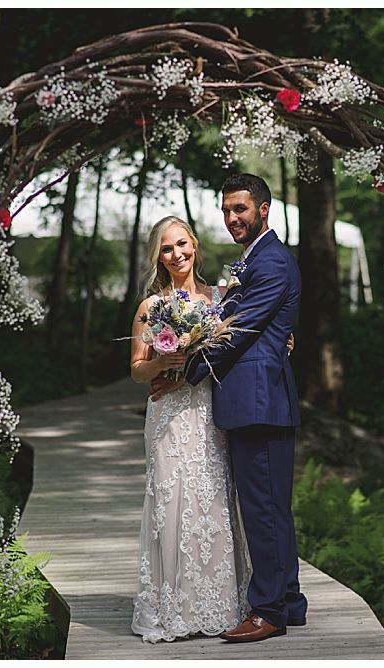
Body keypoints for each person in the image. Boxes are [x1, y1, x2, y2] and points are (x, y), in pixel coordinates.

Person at [152, 173, 307, 643]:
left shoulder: (273, 263)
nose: (231, 217)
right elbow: (230, 319)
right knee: (272, 506)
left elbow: (239, 332)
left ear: (264, 209)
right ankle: (289, 601)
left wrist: (186, 373)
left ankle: (268, 612)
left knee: (262, 508)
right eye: (225, 210)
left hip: (258, 402)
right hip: (255, 399)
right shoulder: (252, 261)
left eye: (240, 208)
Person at [129, 216, 251, 643]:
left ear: (195, 245)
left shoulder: (220, 298)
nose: (176, 253)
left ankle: (218, 604)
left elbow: (242, 341)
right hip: (167, 416)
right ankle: (172, 606)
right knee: (171, 499)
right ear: (158, 257)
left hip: (207, 412)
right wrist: (162, 363)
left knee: (212, 500)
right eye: (166, 248)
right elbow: (137, 371)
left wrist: (285, 339)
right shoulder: (151, 307)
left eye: (182, 244)